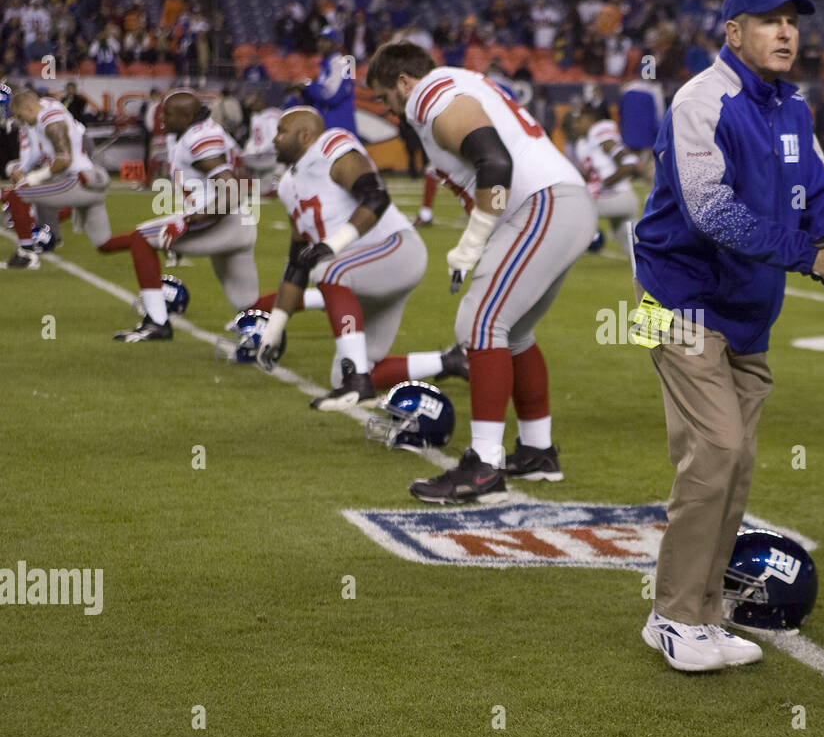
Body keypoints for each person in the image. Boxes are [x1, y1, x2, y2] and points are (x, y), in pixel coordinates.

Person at [633, 0, 824, 673]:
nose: (786, 32)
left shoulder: (794, 109)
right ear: (734, 32)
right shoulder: (700, 101)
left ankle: (702, 613)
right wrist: (813, 258)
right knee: (714, 452)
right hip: (677, 298)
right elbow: (710, 213)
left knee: (736, 465)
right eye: (768, 20)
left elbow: (822, 200)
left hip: (749, 308)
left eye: (792, 21)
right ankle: (673, 614)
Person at [365, 41, 596, 502]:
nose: (389, 110)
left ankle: (484, 467)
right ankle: (536, 451)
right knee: (512, 334)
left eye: (386, 98)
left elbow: (494, 161)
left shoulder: (430, 92)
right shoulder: (459, 83)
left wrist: (471, 244)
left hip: (542, 203)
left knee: (481, 324)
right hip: (557, 202)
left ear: (404, 82)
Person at [243, 107, 464, 408]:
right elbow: (297, 263)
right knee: (342, 375)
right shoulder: (287, 186)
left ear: (305, 134)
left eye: (282, 131)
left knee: (329, 273)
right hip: (361, 275)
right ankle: (450, 362)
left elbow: (376, 196)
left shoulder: (330, 146)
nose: (275, 138)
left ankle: (357, 380)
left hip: (395, 249)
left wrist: (334, 244)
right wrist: (273, 329)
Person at [100, 91, 258, 341]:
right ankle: (281, 321)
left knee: (141, 239)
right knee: (250, 306)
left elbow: (233, 191)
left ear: (187, 116)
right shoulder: (198, 132)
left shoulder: (200, 138)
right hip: (237, 223)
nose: (161, 118)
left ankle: (157, 322)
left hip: (220, 222)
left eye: (168, 113)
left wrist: (189, 219)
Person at [2, 87, 111, 269]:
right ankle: (49, 237)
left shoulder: (49, 118)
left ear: (28, 108)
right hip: (80, 173)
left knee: (19, 193)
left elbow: (63, 159)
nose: (20, 121)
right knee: (104, 244)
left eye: (20, 116)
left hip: (77, 175)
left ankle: (27, 254)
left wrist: (34, 176)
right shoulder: (43, 110)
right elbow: (42, 152)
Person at [569, 102, 645, 261]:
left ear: (590, 119)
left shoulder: (599, 131)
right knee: (634, 251)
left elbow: (628, 164)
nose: (575, 125)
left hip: (615, 196)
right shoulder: (583, 144)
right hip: (619, 199)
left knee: (570, 209)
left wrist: (602, 184)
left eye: (579, 120)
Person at [290, 26, 357, 135]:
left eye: (326, 40)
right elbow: (318, 100)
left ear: (337, 44)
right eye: (320, 40)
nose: (320, 43)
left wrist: (308, 85)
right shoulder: (326, 68)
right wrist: (303, 92)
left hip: (340, 130)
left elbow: (331, 96)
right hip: (329, 129)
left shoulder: (341, 64)